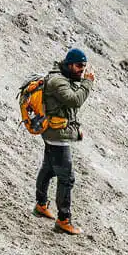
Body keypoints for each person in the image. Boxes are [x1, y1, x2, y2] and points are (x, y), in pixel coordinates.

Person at [33, 47, 95, 235]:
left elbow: (66, 110)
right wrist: (87, 83)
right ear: (68, 64)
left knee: (49, 168)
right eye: (78, 66)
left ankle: (41, 205)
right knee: (67, 179)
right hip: (56, 136)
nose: (81, 70)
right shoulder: (58, 80)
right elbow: (74, 101)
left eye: (83, 67)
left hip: (55, 132)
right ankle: (63, 220)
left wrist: (75, 131)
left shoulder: (63, 76)